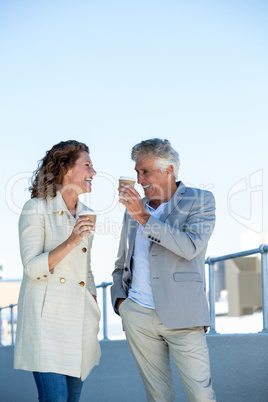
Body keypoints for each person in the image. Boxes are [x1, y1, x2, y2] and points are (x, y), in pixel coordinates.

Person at [111, 138, 216, 402]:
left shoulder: (199, 200)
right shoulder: (133, 211)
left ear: (168, 169)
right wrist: (121, 301)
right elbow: (123, 259)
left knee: (201, 396)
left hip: (183, 315)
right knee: (157, 396)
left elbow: (190, 246)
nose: (139, 178)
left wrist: (143, 217)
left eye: (145, 171)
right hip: (137, 313)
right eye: (136, 172)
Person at [14, 140, 101, 402]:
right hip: (47, 326)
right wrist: (72, 241)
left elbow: (85, 270)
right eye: (87, 165)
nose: (94, 173)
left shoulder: (87, 213)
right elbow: (31, 268)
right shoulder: (36, 208)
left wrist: (94, 302)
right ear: (65, 168)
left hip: (79, 324)